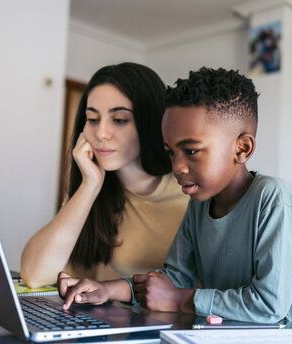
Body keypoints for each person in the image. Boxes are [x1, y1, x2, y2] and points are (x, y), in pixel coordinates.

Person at [58, 67, 292, 324]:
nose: (177, 167)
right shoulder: (200, 204)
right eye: (171, 152)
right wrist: (108, 289)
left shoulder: (272, 198)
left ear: (242, 148)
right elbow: (175, 277)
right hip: (219, 343)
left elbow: (270, 305)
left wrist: (182, 300)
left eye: (190, 151)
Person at [20, 63, 188, 289]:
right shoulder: (95, 188)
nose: (101, 133)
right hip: (116, 319)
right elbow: (35, 276)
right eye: (92, 119)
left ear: (150, 123)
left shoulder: (189, 189)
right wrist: (89, 185)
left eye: (119, 120)